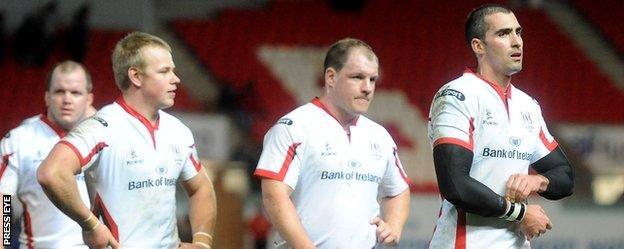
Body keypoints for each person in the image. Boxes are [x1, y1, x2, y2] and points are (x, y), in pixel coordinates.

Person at [36, 32, 216, 248]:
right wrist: (89, 224)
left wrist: (202, 242)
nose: (176, 78)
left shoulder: (178, 131)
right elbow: (11, 196)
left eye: (75, 92)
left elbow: (201, 187)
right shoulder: (100, 128)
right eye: (164, 71)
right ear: (136, 76)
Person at [427, 4, 574, 249]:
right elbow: (455, 185)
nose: (517, 42)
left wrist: (538, 181)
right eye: (503, 34)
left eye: (519, 32)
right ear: (478, 46)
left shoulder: (528, 105)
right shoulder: (457, 95)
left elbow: (565, 177)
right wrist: (520, 214)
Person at [254, 38, 411, 248]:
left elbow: (398, 190)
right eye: (357, 77)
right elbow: (274, 196)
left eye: (373, 79)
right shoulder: (294, 127)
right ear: (331, 77)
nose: (368, 88)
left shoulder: (380, 136)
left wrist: (394, 225)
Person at [0, 60, 94, 248]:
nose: (67, 99)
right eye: (59, 91)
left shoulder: (102, 139)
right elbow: (4, 202)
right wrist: (4, 241)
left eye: (75, 93)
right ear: (47, 97)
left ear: (88, 99)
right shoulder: (19, 140)